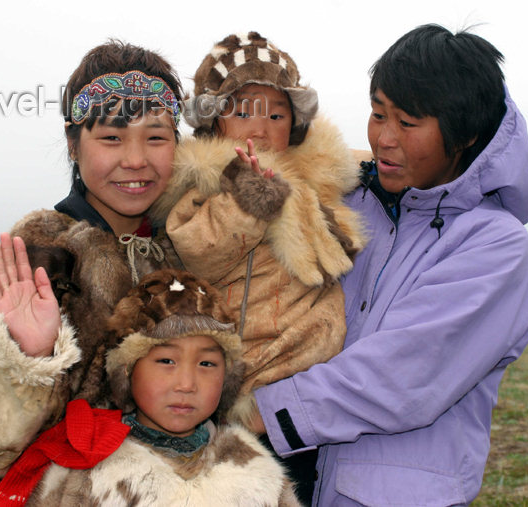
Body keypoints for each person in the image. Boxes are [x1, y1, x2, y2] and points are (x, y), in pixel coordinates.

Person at [250, 24, 528, 506]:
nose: (384, 138)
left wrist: (254, 411)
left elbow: (402, 377)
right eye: (376, 114)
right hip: (291, 481)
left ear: (465, 132)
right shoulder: (354, 202)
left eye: (408, 123)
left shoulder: (495, 245)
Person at [0, 40, 184, 506]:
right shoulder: (39, 250)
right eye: (111, 138)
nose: (135, 160)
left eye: (156, 137)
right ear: (73, 144)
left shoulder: (191, 249)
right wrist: (27, 359)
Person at [147, 32, 369, 502]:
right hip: (240, 380)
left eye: (276, 113)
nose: (259, 127)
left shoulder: (313, 177)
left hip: (306, 376)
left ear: (297, 122)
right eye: (242, 111)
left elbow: (345, 219)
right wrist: (249, 201)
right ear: (213, 119)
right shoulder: (203, 184)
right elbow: (197, 249)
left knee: (299, 489)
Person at [0, 268, 301, 506]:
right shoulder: (86, 468)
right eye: (165, 362)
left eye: (207, 364)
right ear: (128, 371)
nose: (187, 384)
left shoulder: (252, 466)